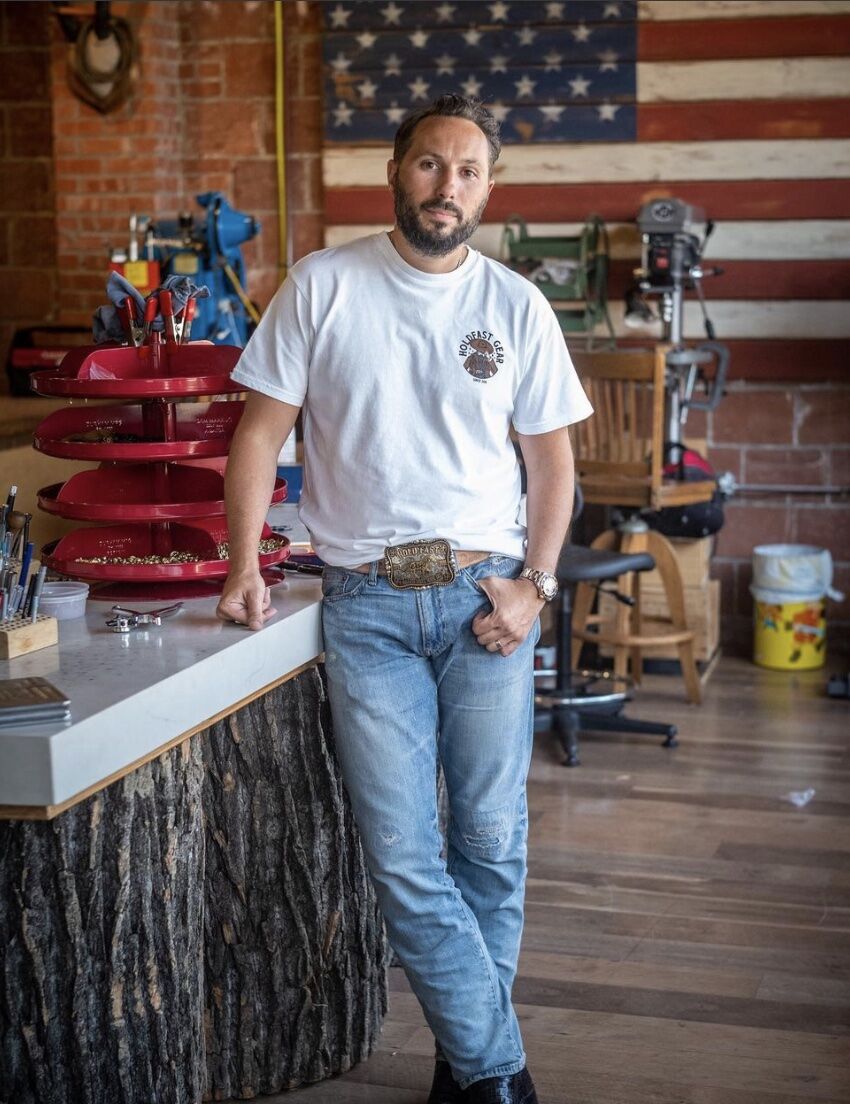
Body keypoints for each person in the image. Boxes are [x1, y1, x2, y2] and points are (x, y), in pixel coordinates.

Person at [217, 95, 592, 1104]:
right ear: (395, 169)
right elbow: (258, 436)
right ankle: (496, 1067)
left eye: (468, 171)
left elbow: (553, 467)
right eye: (430, 165)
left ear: (489, 188)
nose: (447, 187)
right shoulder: (325, 284)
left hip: (487, 603)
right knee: (402, 854)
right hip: (368, 605)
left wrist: (537, 587)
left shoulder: (515, 304)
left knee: (489, 845)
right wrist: (240, 559)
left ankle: (463, 1067)